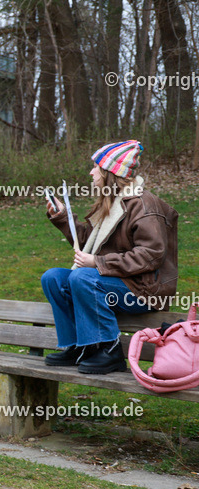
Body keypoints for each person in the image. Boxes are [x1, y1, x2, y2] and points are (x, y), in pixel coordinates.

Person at [42, 140, 178, 374]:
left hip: (144, 291)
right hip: (117, 282)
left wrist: (97, 263)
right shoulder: (112, 202)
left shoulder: (144, 204)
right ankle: (78, 346)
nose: (91, 172)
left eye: (96, 166)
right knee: (53, 278)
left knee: (82, 277)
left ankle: (109, 350)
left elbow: (151, 255)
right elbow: (90, 244)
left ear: (110, 172)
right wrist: (63, 217)